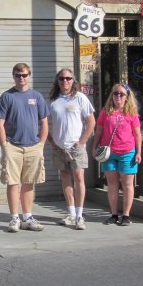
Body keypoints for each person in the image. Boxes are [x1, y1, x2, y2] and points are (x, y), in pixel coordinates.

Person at [0, 62, 49, 232]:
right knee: (12, 182)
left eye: (24, 75)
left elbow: (44, 123)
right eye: (18, 75)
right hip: (13, 147)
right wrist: (4, 146)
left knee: (28, 183)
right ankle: (14, 218)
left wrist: (41, 144)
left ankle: (27, 217)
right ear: (14, 76)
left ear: (29, 76)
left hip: (33, 147)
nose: (21, 78)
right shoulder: (6, 97)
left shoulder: (37, 97)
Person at [48, 68, 95, 230]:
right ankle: (71, 213)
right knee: (65, 177)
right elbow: (44, 123)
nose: (65, 81)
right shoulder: (53, 100)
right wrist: (51, 142)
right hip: (59, 147)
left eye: (68, 78)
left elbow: (91, 122)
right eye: (61, 79)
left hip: (76, 147)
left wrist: (82, 141)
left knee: (79, 177)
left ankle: (80, 215)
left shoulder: (80, 98)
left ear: (73, 80)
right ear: (58, 81)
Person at [91, 82, 142, 226]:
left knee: (127, 184)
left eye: (121, 94)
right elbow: (99, 131)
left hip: (127, 152)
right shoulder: (105, 112)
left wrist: (138, 152)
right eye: (115, 93)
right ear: (112, 96)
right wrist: (94, 147)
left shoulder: (132, 113)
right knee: (112, 184)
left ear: (127, 97)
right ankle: (114, 214)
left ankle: (126, 215)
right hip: (109, 153)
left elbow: (137, 134)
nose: (118, 97)